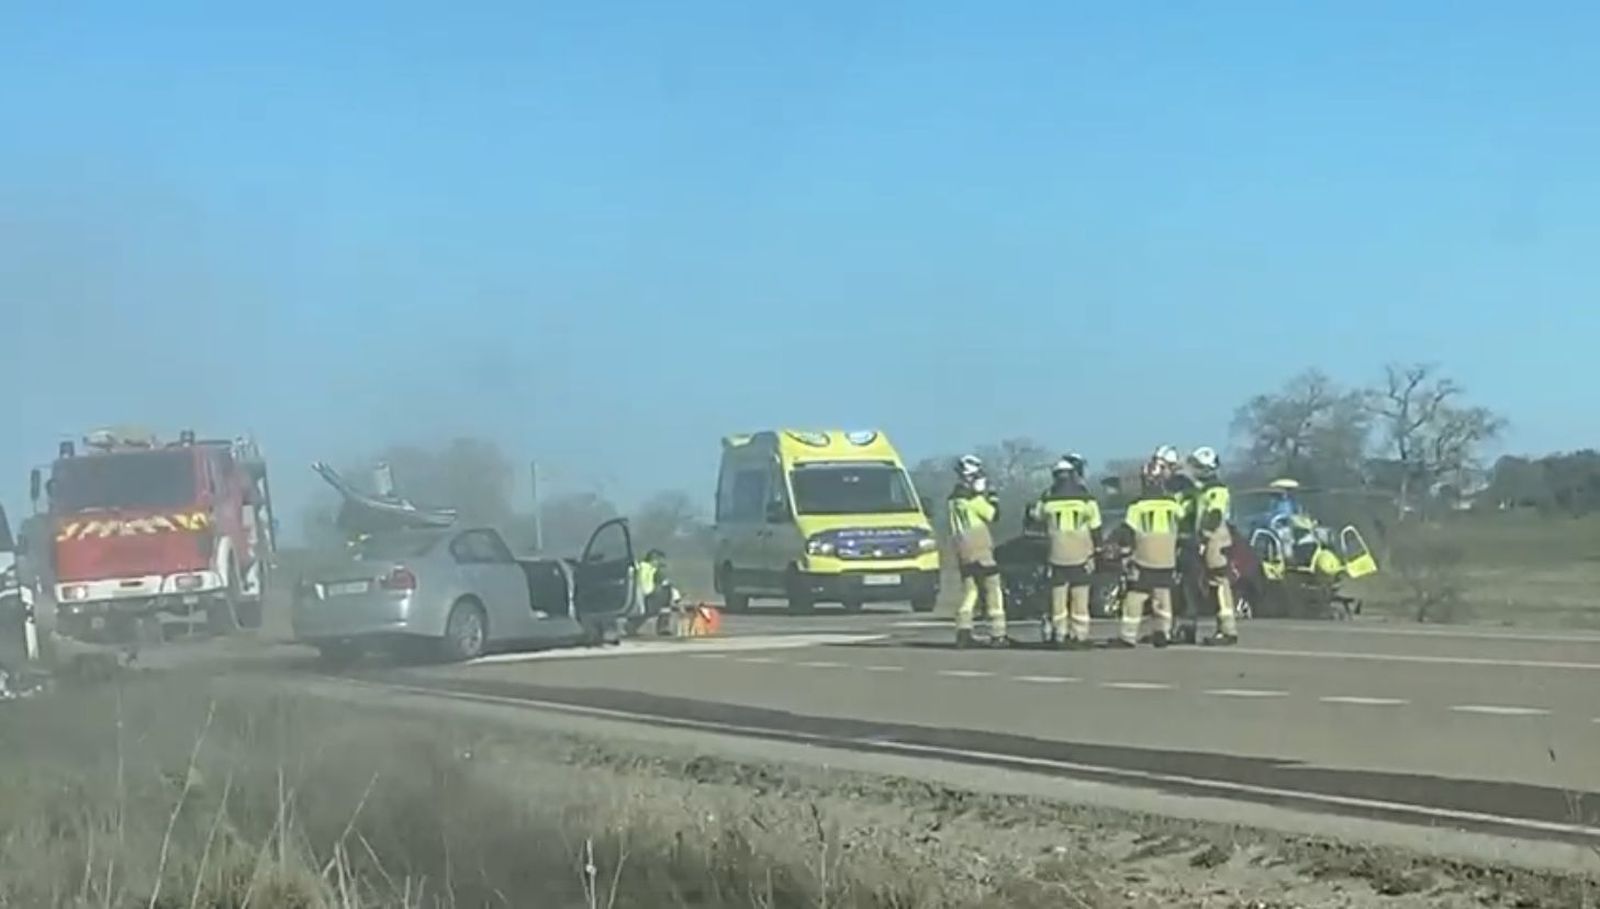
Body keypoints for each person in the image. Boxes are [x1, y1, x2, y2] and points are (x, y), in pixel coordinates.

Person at [1109, 463, 1184, 648]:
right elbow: (1183, 524)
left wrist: (1115, 544)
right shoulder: (1174, 504)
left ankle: (1128, 636)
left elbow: (1127, 530)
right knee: (1163, 595)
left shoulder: (1138, 506)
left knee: (1135, 595)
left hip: (1144, 557)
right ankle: (1163, 632)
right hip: (1167, 558)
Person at [1035, 453, 1102, 649]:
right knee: (1080, 596)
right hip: (1081, 553)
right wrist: (1097, 549)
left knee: (1058, 596)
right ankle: (1079, 635)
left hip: (1056, 554)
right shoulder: (1086, 499)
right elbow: (1096, 526)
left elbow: (1036, 517)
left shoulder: (1047, 500)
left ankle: (1059, 633)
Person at [949, 455, 1006, 648]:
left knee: (970, 590)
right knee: (993, 587)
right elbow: (993, 515)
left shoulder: (953, 499)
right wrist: (992, 497)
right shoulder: (972, 499)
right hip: (979, 547)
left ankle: (963, 631)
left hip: (961, 547)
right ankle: (998, 634)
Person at [1187, 447, 1239, 646]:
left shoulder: (1217, 490)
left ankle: (1227, 629)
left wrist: (1204, 537)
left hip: (1216, 538)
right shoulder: (1205, 489)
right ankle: (1223, 628)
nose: (1196, 470)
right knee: (1215, 582)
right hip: (1211, 538)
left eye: (1199, 466)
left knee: (1219, 581)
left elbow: (1215, 515)